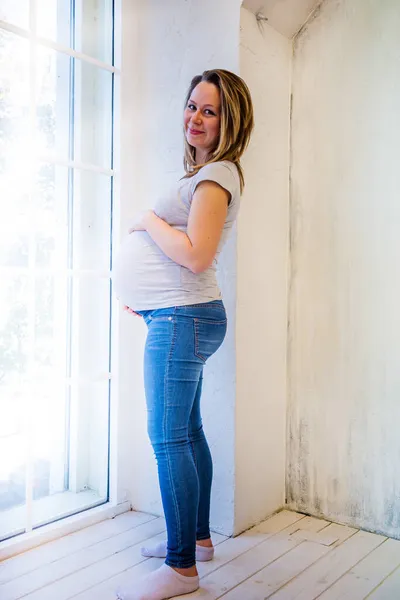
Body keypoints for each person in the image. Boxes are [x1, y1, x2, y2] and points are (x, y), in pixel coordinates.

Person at [112, 68, 254, 600]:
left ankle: (181, 570)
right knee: (188, 432)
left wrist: (148, 221)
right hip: (176, 315)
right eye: (192, 105)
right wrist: (146, 300)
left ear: (229, 120)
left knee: (168, 438)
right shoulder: (208, 173)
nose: (195, 117)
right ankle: (196, 542)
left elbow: (195, 255)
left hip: (183, 317)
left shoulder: (216, 177)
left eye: (210, 110)